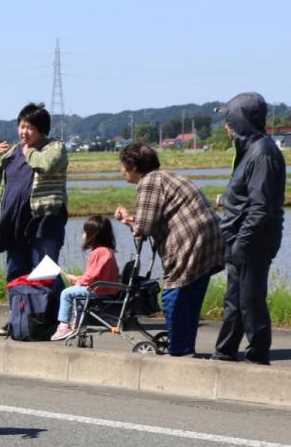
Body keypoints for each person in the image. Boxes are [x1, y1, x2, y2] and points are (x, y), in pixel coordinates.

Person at [113, 142, 223, 356]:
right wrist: (132, 219)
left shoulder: (149, 182)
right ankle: (185, 348)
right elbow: (157, 217)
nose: (121, 170)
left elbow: (145, 227)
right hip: (210, 239)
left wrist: (128, 220)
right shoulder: (165, 176)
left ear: (132, 166)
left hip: (188, 241)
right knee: (191, 296)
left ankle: (180, 351)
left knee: (174, 295)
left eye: (122, 166)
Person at [212, 92, 285, 365]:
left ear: (242, 120)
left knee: (250, 300)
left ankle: (257, 357)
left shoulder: (263, 153)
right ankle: (225, 352)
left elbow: (261, 207)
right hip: (239, 238)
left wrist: (242, 242)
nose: (226, 126)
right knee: (234, 300)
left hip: (252, 240)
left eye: (229, 119)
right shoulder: (249, 150)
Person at [0, 102, 69, 336]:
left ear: (42, 129)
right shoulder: (12, 152)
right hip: (14, 222)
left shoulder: (54, 148)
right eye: (21, 127)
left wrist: (29, 151)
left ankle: (60, 319)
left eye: (29, 127)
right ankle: (18, 318)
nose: (24, 132)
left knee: (45, 271)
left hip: (44, 221)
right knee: (16, 273)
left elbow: (47, 165)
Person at [51, 216, 120, 342]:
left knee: (66, 293)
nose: (83, 234)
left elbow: (91, 276)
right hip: (106, 289)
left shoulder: (98, 252)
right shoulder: (107, 251)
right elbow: (96, 275)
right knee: (76, 291)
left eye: (85, 231)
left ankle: (63, 326)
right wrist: (78, 279)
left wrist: (78, 281)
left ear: (92, 235)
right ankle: (78, 324)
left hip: (99, 291)